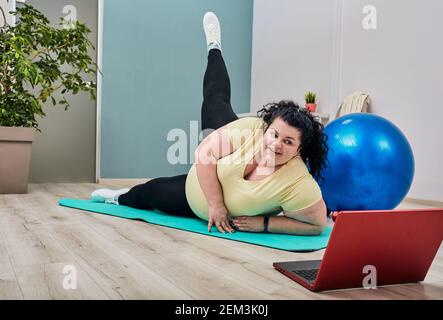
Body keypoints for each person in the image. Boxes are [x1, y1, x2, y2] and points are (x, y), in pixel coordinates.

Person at [91, 12, 329, 235]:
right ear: (266, 129)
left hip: (196, 202)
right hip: (214, 169)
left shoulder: (297, 180)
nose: (277, 145)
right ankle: (214, 47)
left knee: (154, 190)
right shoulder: (253, 129)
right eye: (275, 135)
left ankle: (122, 195)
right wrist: (216, 205)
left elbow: (317, 224)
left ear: (299, 149)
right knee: (215, 99)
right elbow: (204, 154)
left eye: (288, 142)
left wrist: (265, 224)